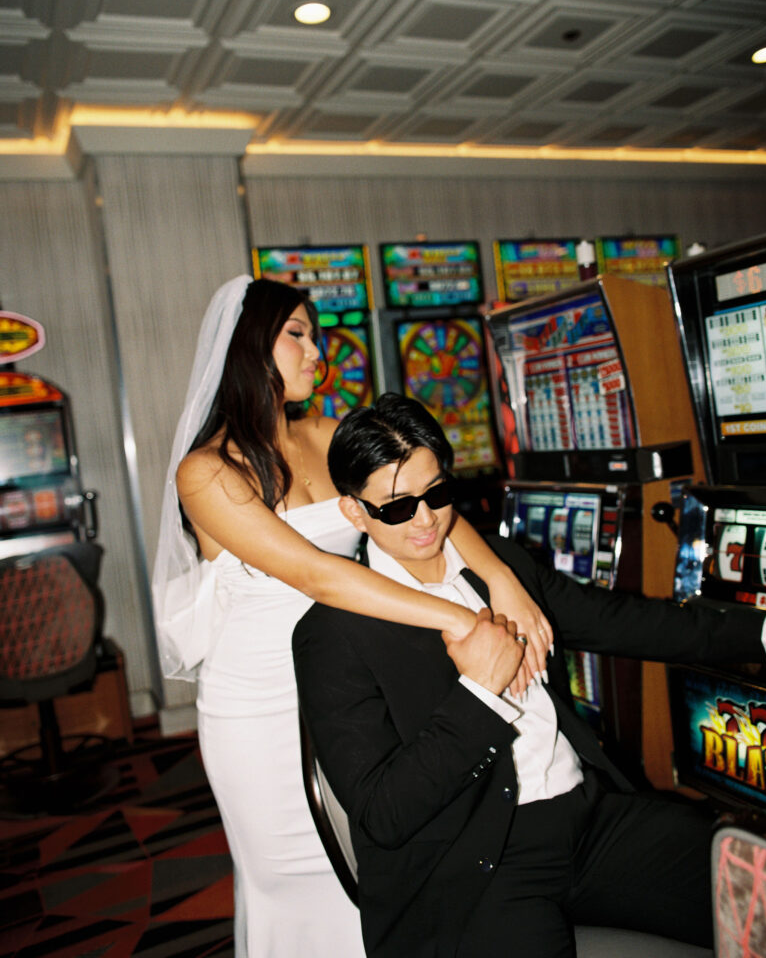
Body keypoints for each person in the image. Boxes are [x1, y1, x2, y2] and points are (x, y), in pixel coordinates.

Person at [151, 276, 552, 958]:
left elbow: (421, 503)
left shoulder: (332, 432)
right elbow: (317, 574)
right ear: (251, 346)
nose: (319, 354)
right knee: (301, 881)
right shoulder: (207, 470)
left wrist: (501, 580)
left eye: (318, 336)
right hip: (263, 701)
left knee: (379, 863)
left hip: (353, 676)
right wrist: (455, 621)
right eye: (298, 335)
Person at [292, 392, 766, 958]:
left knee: (754, 890)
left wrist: (760, 633)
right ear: (353, 511)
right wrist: (479, 694)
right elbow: (384, 812)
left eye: (438, 494)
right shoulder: (331, 634)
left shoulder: (498, 569)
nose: (424, 520)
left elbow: (625, 622)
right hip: (473, 868)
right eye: (396, 507)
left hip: (586, 819)